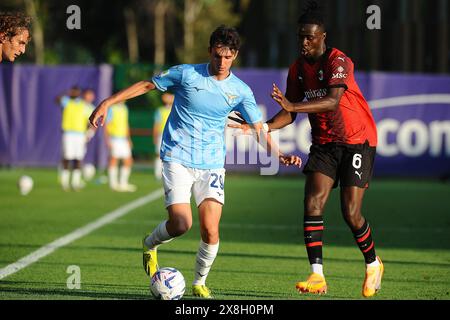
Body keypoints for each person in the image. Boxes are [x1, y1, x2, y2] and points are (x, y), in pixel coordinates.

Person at [89, 25, 301, 299]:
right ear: (210, 51)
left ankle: (199, 282)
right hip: (177, 156)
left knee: (211, 230)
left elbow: (259, 128)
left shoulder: (240, 91)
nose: (221, 62)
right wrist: (107, 102)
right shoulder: (186, 73)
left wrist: (278, 154)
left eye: (227, 57)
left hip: (212, 163)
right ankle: (150, 243)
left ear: (235, 55)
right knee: (180, 224)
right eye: (217, 56)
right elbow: (146, 85)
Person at [231, 2, 383, 298]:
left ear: (323, 36)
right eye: (300, 36)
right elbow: (289, 114)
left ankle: (373, 262)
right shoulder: (297, 69)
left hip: (357, 140)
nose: (304, 42)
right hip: (324, 144)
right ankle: (317, 275)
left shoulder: (339, 61)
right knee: (312, 203)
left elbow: (331, 101)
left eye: (310, 37)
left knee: (351, 213)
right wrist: (260, 127)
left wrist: (293, 105)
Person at [56, 87, 95, 191]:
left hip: (80, 135)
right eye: (73, 91)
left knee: (78, 158)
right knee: (67, 157)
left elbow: (89, 122)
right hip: (68, 133)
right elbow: (57, 99)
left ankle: (75, 182)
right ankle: (64, 182)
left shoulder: (84, 105)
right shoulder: (67, 101)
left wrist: (89, 133)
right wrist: (66, 93)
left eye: (76, 91)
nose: (74, 93)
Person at [104, 101, 136, 192]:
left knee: (128, 160)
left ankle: (123, 183)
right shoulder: (112, 108)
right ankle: (113, 184)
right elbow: (107, 125)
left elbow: (126, 124)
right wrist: (107, 139)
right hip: (114, 138)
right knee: (114, 159)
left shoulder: (125, 108)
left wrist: (129, 139)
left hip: (123, 139)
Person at [153, 92, 174, 180]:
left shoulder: (174, 109)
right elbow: (156, 124)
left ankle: (167, 172)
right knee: (159, 154)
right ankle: (158, 173)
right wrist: (155, 137)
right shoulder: (160, 110)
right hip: (162, 134)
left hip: (172, 135)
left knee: (170, 155)